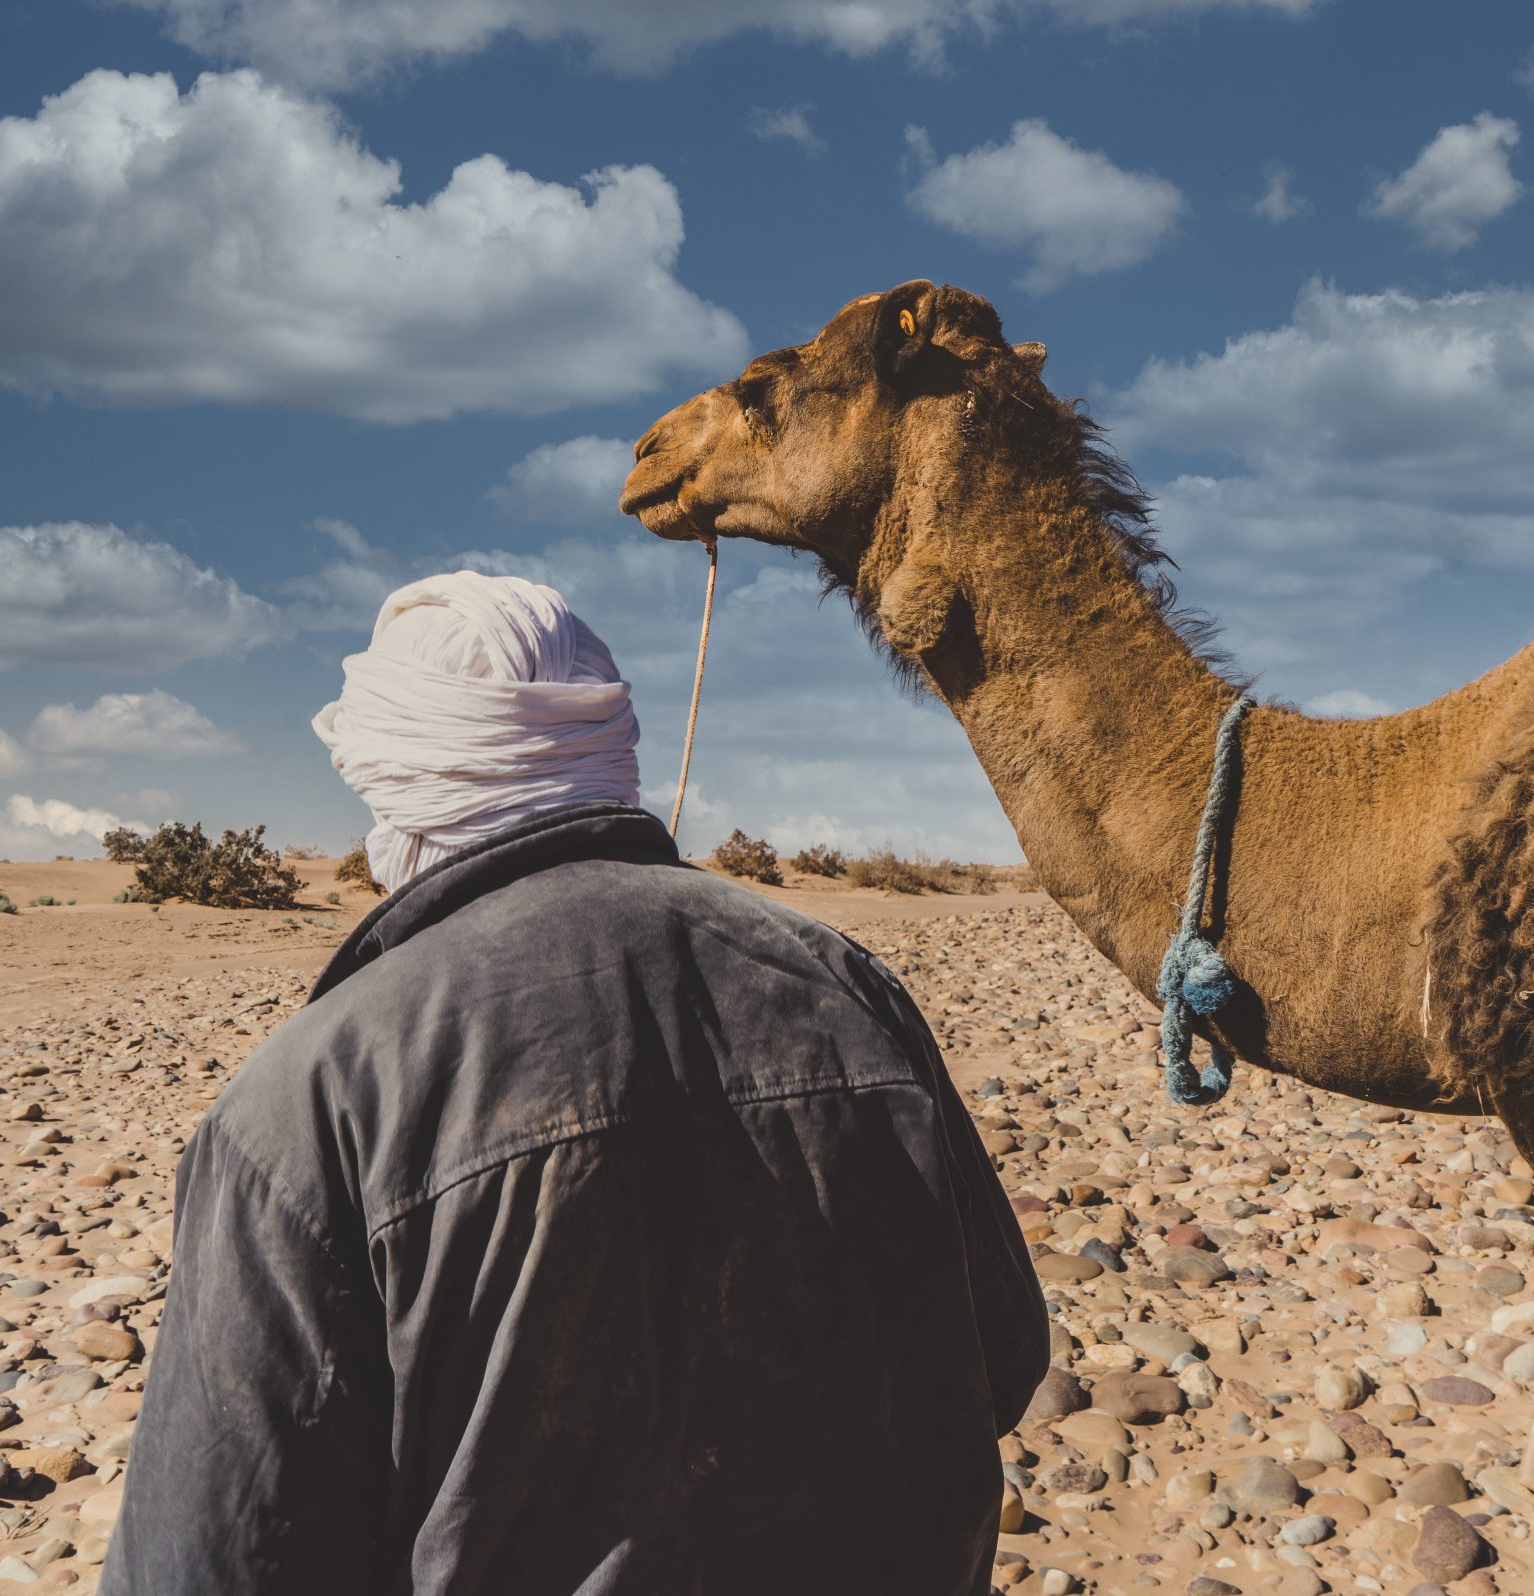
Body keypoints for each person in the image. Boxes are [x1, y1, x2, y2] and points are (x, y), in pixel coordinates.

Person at [103, 570, 1046, 1596]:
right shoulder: (844, 985)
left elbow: (215, 1554)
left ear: (397, 784)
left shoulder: (315, 1093)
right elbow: (999, 1354)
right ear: (606, 756)